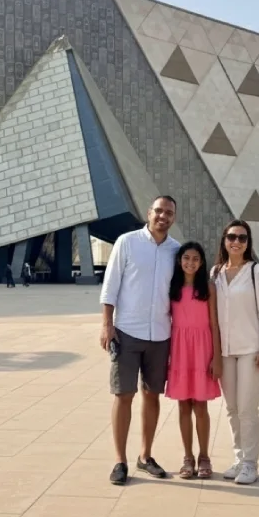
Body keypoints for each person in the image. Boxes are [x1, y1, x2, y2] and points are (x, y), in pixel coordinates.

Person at [100, 196, 180, 485]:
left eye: (168, 213)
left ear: (174, 218)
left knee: (152, 394)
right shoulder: (127, 242)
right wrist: (107, 325)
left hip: (160, 333)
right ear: (149, 213)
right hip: (127, 331)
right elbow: (111, 285)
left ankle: (145, 456)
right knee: (123, 395)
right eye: (158, 211)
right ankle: (120, 460)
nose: (163, 216)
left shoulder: (177, 251)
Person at [212, 219, 259, 485]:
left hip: (251, 349)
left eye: (242, 238)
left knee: (248, 408)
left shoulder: (256, 272)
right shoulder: (215, 272)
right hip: (226, 351)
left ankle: (250, 463)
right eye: (231, 237)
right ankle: (239, 458)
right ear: (224, 240)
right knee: (232, 408)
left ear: (248, 243)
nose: (236, 242)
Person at [165, 241, 222, 479]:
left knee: (201, 405)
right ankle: (187, 457)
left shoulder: (208, 288)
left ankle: (204, 456)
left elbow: (214, 323)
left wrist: (216, 357)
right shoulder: (172, 287)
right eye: (186, 258)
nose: (190, 263)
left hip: (202, 349)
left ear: (202, 262)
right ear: (180, 261)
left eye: (195, 259)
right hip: (180, 350)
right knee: (183, 405)